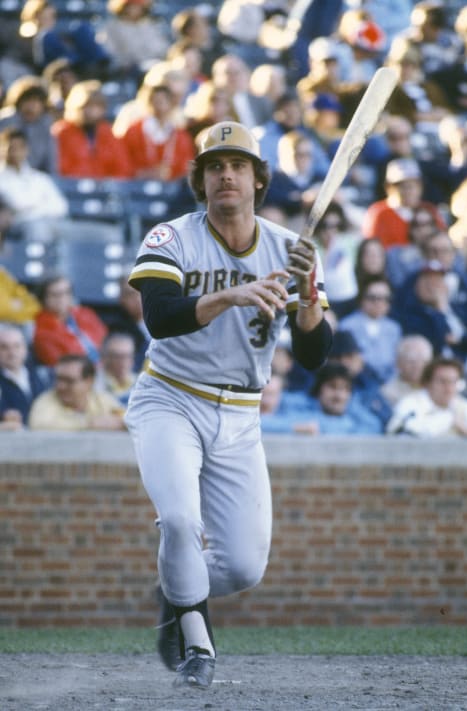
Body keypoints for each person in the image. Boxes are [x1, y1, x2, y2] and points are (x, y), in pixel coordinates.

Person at [124, 121, 332, 687]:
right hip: (171, 399)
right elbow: (162, 318)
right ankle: (198, 646)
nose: (226, 175)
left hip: (242, 415)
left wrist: (308, 294)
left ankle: (177, 592)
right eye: (215, 166)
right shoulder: (173, 237)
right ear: (201, 180)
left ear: (258, 179)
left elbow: (314, 354)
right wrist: (232, 292)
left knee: (243, 566)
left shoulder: (288, 248)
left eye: (238, 165)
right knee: (180, 519)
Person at [51, 80, 132, 178]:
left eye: (97, 106)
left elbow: (123, 168)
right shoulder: (61, 132)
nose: (92, 111)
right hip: (71, 189)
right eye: (87, 106)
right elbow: (58, 168)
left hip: (105, 190)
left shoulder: (107, 132)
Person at [0, 127, 69, 243]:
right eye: (10, 147)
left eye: (20, 147)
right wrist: (41, 207)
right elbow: (18, 204)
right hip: (21, 226)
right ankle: (40, 261)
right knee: (38, 230)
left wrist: (32, 209)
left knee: (102, 234)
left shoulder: (40, 178)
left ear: (27, 149)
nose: (15, 152)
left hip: (52, 222)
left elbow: (61, 207)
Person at [386, 356, 467, 437]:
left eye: (453, 382)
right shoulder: (410, 403)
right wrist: (450, 421)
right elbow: (398, 431)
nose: (449, 388)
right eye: (443, 381)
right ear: (428, 383)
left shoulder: (462, 405)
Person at [28, 353, 126, 430]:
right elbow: (38, 424)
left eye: (69, 381)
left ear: (89, 381)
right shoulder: (46, 400)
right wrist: (88, 424)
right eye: (58, 379)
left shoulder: (102, 400)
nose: (60, 386)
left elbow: (129, 419)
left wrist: (121, 424)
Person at [122, 82, 195, 181]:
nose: (160, 106)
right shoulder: (133, 132)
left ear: (172, 104)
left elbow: (186, 168)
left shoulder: (181, 136)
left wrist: (171, 174)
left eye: (163, 101)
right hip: (138, 187)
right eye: (155, 101)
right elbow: (122, 163)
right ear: (148, 103)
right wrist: (142, 173)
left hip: (172, 190)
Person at [339, 276, 402, 385]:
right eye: (372, 298)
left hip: (388, 384)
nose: (378, 303)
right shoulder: (347, 326)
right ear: (362, 299)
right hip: (356, 383)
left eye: (384, 298)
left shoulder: (394, 329)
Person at [33, 275, 108, 366]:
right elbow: (61, 365)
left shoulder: (86, 314)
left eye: (66, 293)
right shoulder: (42, 332)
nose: (62, 298)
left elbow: (107, 341)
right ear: (43, 299)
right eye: (55, 295)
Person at [0, 323, 52, 425]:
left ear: (25, 349)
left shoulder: (41, 376)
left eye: (17, 346)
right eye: (4, 347)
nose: (12, 352)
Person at [381, 333, 434, 406]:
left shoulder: (439, 386)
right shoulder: (388, 393)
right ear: (398, 363)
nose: (418, 365)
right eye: (412, 361)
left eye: (423, 361)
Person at [95, 332, 138, 407]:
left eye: (128, 356)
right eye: (117, 356)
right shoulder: (94, 384)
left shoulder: (140, 381)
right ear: (105, 358)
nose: (123, 361)